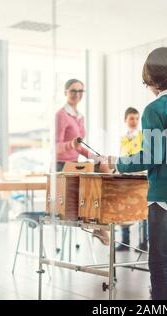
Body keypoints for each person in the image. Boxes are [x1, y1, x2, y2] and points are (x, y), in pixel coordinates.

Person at [104, 47, 167, 300]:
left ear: (152, 77)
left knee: (160, 264)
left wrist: (117, 163)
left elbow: (151, 156)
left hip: (165, 199)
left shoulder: (154, 109)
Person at [55, 79, 109, 245]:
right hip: (62, 166)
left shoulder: (79, 117)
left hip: (75, 164)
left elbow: (79, 147)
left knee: (103, 167)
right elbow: (55, 147)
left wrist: (95, 157)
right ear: (65, 92)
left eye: (80, 91)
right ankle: (100, 225)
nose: (77, 94)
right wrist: (71, 144)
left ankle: (102, 220)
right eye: (73, 91)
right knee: (94, 183)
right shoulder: (61, 115)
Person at [116, 107, 148, 252]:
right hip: (126, 174)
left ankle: (144, 241)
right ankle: (125, 240)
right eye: (131, 118)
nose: (134, 121)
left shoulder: (142, 135)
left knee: (142, 207)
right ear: (125, 120)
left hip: (139, 173)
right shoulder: (123, 137)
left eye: (136, 118)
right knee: (124, 206)